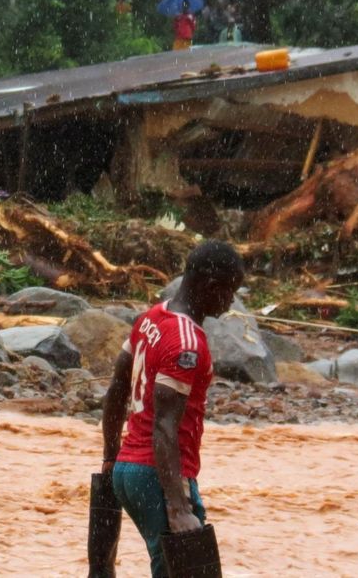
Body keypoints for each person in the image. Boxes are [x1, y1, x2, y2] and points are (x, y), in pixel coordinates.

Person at [98, 241, 244, 578]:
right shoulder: (187, 344)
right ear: (211, 287)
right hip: (156, 476)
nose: (232, 300)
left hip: (128, 472)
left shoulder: (150, 318)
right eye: (231, 291)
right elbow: (164, 426)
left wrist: (111, 456)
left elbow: (116, 391)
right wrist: (178, 507)